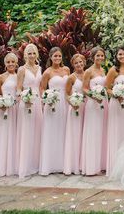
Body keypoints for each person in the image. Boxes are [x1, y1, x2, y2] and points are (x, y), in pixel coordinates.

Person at [39, 47, 70, 175]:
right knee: (52, 131)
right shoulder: (47, 72)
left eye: (59, 56)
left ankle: (64, 164)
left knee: (64, 131)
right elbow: (41, 88)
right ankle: (50, 164)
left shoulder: (67, 69)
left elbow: (70, 85)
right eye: (55, 56)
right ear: (50, 57)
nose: (57, 58)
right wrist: (47, 98)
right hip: (53, 104)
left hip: (66, 102)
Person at [16, 44, 43, 178]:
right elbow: (18, 88)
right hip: (26, 102)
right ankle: (25, 165)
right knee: (27, 132)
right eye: (29, 53)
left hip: (38, 101)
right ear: (25, 55)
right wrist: (24, 98)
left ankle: (36, 164)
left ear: (36, 54)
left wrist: (44, 101)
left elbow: (40, 87)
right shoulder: (22, 69)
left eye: (33, 53)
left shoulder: (40, 68)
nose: (32, 56)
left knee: (37, 131)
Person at [105, 46, 124, 175]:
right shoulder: (113, 70)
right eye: (120, 54)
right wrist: (116, 94)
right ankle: (115, 165)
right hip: (117, 103)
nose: (122, 56)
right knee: (118, 131)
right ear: (116, 56)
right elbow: (107, 88)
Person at [81, 46, 107, 176]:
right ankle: (91, 166)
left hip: (103, 104)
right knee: (93, 132)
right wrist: (94, 96)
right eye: (98, 56)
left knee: (102, 133)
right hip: (93, 104)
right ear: (93, 57)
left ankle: (101, 163)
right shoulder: (88, 71)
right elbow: (84, 88)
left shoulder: (103, 70)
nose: (100, 58)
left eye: (102, 56)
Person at [0, 52, 19, 176]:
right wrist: (1, 103)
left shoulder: (20, 76)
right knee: (4, 135)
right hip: (4, 110)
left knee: (15, 135)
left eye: (12, 62)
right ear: (5, 64)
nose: (10, 64)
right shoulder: (1, 77)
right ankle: (2, 165)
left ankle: (14, 165)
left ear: (16, 63)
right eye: (8, 62)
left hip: (17, 109)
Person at [63, 53, 86, 175]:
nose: (79, 64)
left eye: (80, 62)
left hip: (87, 107)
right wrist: (72, 103)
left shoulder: (88, 75)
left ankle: (84, 163)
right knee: (75, 135)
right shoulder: (71, 78)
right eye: (76, 63)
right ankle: (74, 164)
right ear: (73, 65)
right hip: (76, 108)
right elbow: (66, 94)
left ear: (84, 62)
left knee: (85, 135)